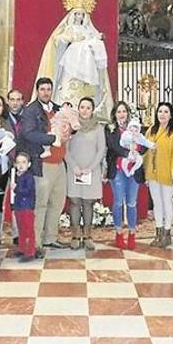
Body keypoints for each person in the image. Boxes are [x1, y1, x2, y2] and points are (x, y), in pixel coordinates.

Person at [34, 7, 114, 118]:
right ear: (73, 15)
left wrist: (97, 38)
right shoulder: (70, 28)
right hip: (72, 61)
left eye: (81, 14)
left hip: (86, 64)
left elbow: (95, 39)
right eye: (77, 14)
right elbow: (59, 38)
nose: (79, 17)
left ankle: (88, 110)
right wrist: (69, 38)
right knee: (68, 85)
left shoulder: (88, 29)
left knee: (87, 88)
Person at [21, 77, 68, 251]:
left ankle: (50, 237)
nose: (46, 92)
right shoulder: (31, 110)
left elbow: (67, 128)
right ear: (37, 90)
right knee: (41, 204)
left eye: (49, 89)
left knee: (57, 203)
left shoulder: (58, 109)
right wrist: (51, 138)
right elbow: (28, 133)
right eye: (43, 89)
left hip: (59, 163)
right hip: (43, 163)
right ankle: (36, 242)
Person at [65, 97, 106, 250]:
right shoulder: (71, 126)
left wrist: (91, 167)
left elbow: (101, 150)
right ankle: (75, 235)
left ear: (92, 109)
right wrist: (74, 166)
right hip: (74, 170)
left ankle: (88, 235)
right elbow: (65, 149)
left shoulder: (98, 128)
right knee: (75, 202)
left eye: (88, 107)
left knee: (88, 203)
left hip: (91, 171)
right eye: (82, 107)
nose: (85, 110)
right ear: (78, 108)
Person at [106, 101, 147, 250]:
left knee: (131, 203)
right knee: (118, 202)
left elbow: (143, 146)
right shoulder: (110, 129)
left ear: (128, 113)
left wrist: (139, 151)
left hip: (133, 170)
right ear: (115, 114)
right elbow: (113, 146)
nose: (122, 114)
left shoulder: (135, 128)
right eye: (119, 112)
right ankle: (118, 232)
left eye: (124, 111)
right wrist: (128, 154)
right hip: (118, 169)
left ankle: (132, 233)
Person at [144, 102, 173, 248]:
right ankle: (158, 233)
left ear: (171, 115)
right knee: (157, 202)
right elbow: (146, 152)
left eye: (166, 111)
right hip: (153, 172)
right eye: (160, 111)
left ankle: (167, 234)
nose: (162, 114)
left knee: (167, 202)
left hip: (167, 171)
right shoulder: (151, 131)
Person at [12, 152, 36, 261]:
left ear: (29, 164)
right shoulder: (16, 175)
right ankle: (22, 248)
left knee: (28, 230)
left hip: (27, 207)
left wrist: (16, 188)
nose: (21, 165)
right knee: (20, 228)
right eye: (18, 162)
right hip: (18, 206)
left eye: (24, 162)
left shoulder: (29, 177)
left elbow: (27, 191)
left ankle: (30, 252)